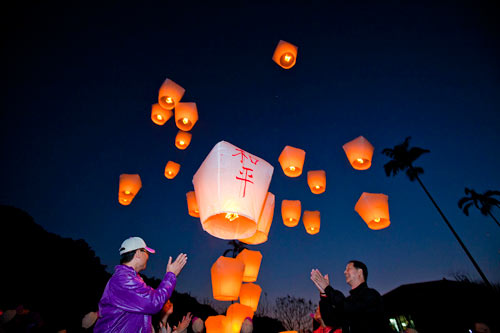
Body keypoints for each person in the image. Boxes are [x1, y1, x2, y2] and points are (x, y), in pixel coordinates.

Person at [94, 236, 187, 333]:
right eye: (146, 252)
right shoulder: (123, 279)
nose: (148, 256)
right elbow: (153, 302)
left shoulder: (131, 278)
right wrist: (171, 275)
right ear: (138, 253)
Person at [311, 260, 386, 333]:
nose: (344, 272)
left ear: (360, 272)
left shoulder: (371, 295)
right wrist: (323, 294)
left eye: (348, 269)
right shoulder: (350, 301)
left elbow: (348, 308)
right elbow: (330, 320)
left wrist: (327, 288)